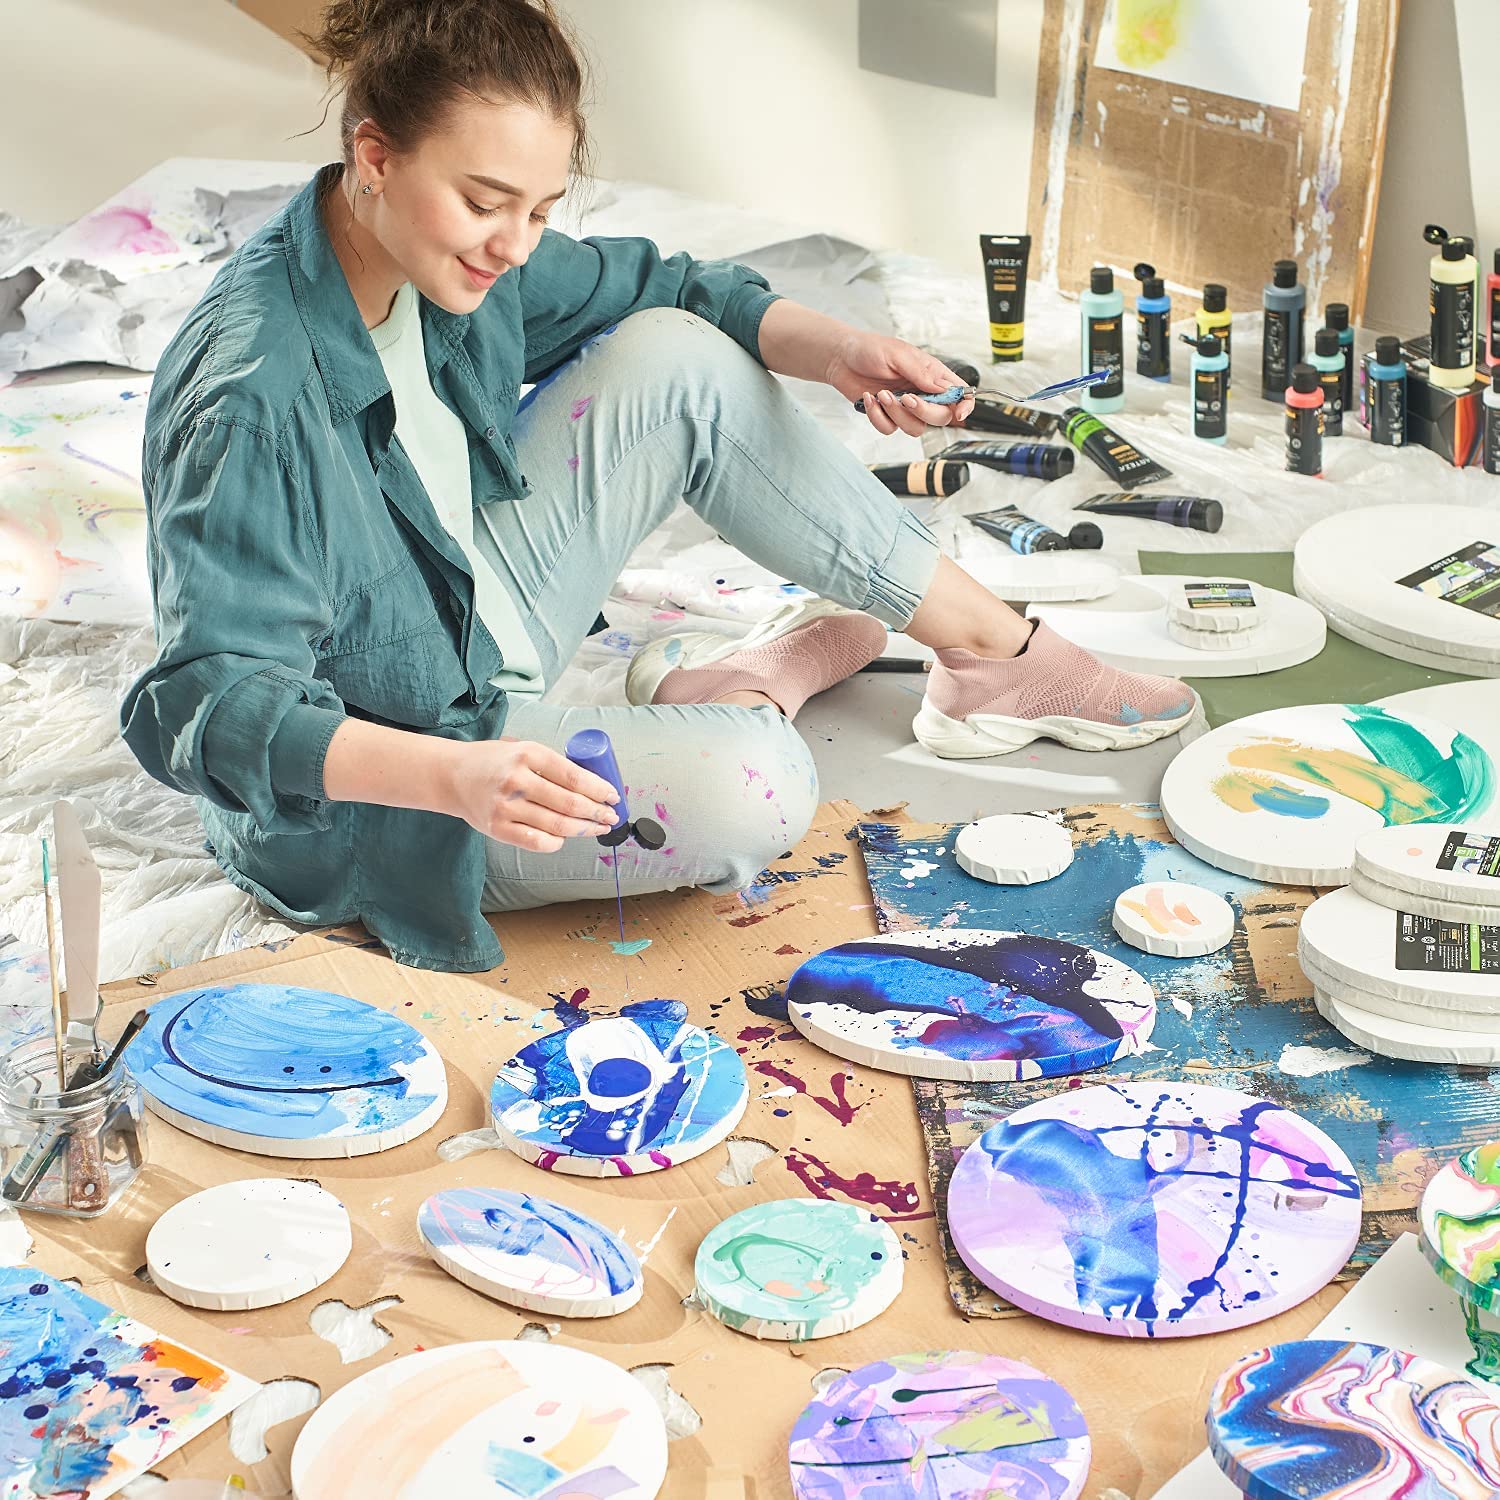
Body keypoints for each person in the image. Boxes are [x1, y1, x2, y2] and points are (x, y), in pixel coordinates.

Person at [121, 0, 1199, 972]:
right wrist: (455, 779)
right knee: (760, 784)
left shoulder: (446, 252)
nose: (514, 246)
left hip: (463, 623)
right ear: (374, 155)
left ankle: (993, 655)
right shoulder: (250, 399)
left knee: (679, 349)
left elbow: (671, 286)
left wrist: (835, 350)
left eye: (541, 210)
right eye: (487, 203)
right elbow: (208, 708)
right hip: (389, 796)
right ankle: (743, 694)